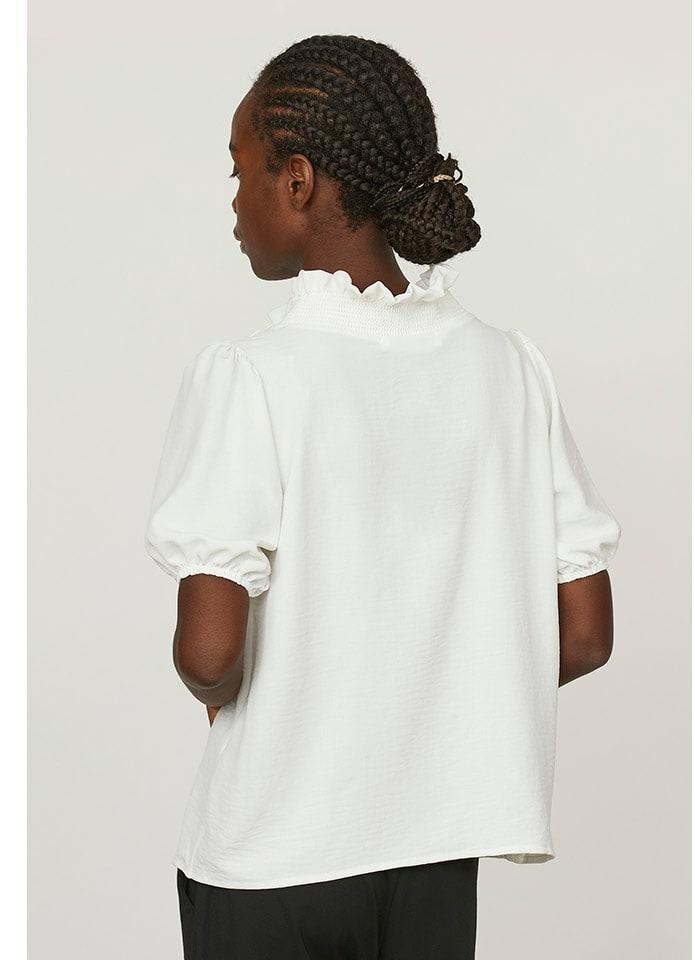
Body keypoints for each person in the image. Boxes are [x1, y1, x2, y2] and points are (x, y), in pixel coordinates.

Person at [145, 33, 622, 960]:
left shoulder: (253, 376)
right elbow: (584, 634)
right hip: (434, 860)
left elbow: (209, 654)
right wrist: (432, 695)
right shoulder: (509, 370)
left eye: (239, 171)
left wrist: (238, 689)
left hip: (272, 859)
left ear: (297, 181)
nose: (233, 200)